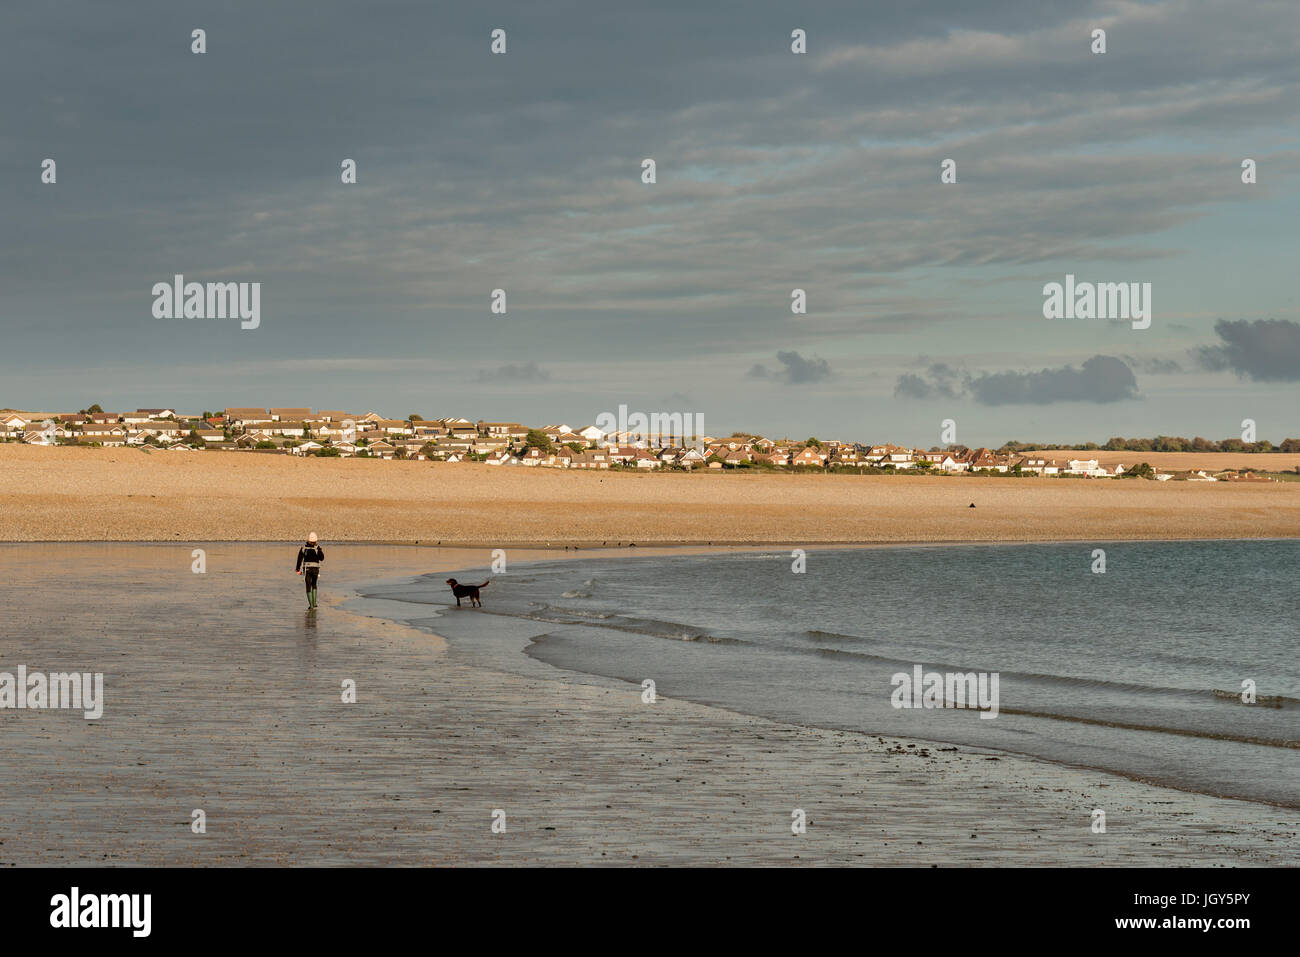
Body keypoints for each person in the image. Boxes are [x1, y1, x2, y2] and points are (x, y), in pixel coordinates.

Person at [296, 532, 325, 609]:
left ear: (308, 540)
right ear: (316, 540)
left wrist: (297, 569)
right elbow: (322, 558)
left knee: (308, 586)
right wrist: (319, 550)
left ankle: (311, 606)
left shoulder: (303, 548)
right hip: (316, 570)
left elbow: (299, 559)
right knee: (314, 584)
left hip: (307, 569)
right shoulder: (317, 548)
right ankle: (314, 603)